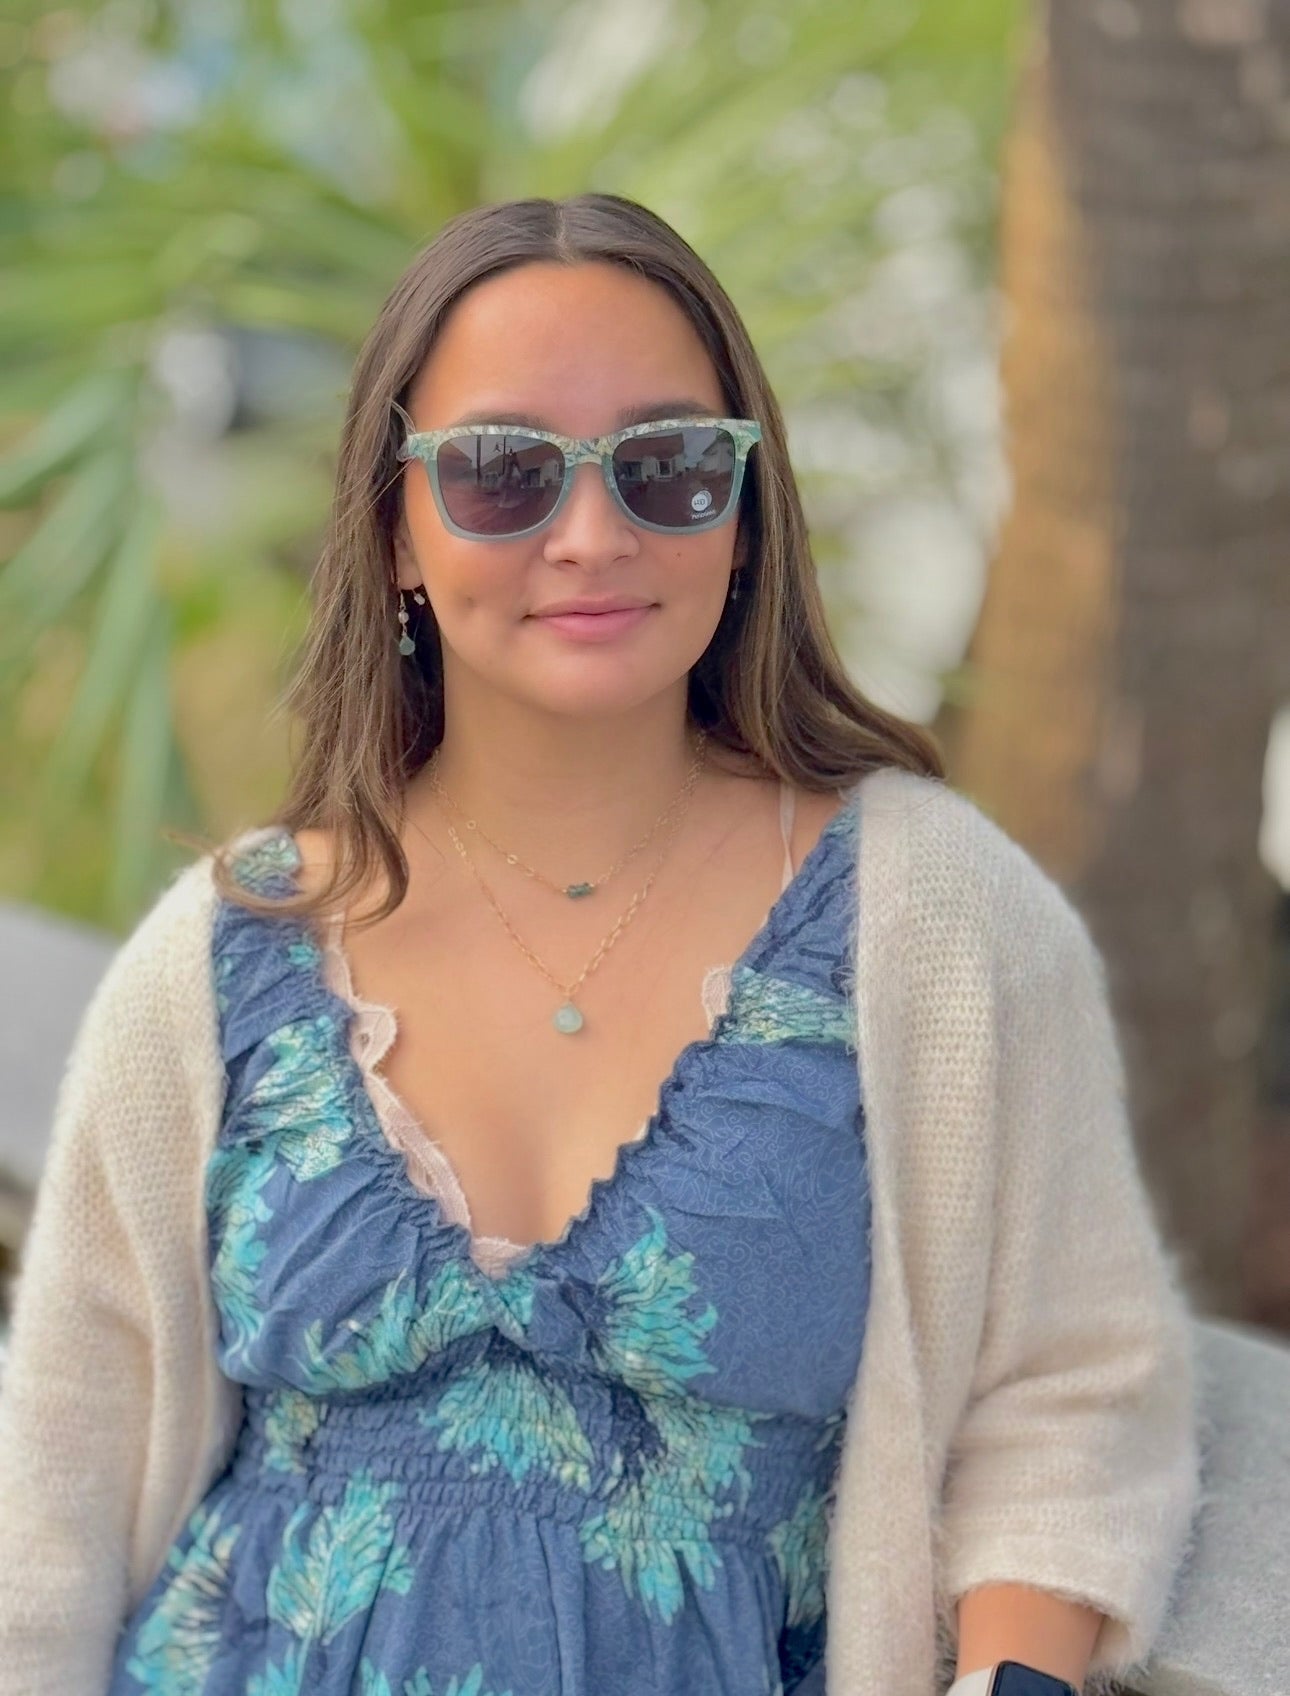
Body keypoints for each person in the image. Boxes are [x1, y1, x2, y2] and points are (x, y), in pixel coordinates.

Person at [0, 194, 1200, 1696]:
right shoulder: (225, 954)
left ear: (744, 515)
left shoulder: (934, 913)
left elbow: (1073, 1385)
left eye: (668, 466)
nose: (591, 534)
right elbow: (55, 1475)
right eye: (502, 474)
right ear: (396, 527)